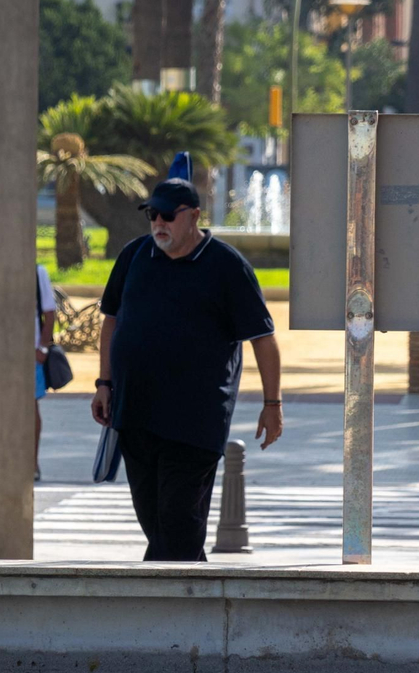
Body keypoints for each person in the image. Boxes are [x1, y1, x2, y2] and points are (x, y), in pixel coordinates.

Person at [90, 178, 283, 561]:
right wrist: (104, 383)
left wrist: (272, 404)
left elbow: (263, 338)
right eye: (152, 215)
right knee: (158, 524)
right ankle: (197, 601)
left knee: (177, 520)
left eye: (167, 215)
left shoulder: (227, 266)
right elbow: (111, 319)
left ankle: (169, 610)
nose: (158, 223)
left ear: (194, 216)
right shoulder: (134, 256)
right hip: (136, 413)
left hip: (196, 421)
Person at [34, 263, 56, 482]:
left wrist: (43, 347)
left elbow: (49, 313)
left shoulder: (37, 272)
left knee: (31, 407)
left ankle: (33, 462)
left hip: (32, 355)